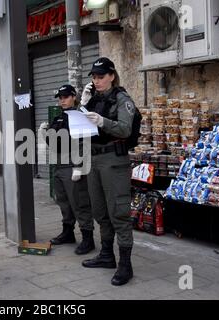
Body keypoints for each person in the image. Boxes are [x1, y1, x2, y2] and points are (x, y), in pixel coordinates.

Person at [79, 57, 136, 286]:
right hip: (95, 159)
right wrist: (81, 106)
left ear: (112, 76)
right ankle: (106, 254)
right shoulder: (94, 100)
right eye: (94, 77)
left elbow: (124, 128)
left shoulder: (122, 99)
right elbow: (81, 127)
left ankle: (125, 265)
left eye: (101, 76)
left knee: (119, 213)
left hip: (114, 160)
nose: (97, 80)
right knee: (100, 211)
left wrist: (103, 121)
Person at [39, 84, 95, 255]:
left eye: (65, 97)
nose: (61, 100)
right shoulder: (59, 118)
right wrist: (45, 134)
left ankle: (88, 238)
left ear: (73, 97)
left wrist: (79, 166)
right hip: (59, 165)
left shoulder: (79, 116)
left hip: (73, 165)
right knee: (63, 201)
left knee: (80, 203)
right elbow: (54, 143)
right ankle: (68, 232)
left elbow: (83, 141)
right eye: (60, 98)